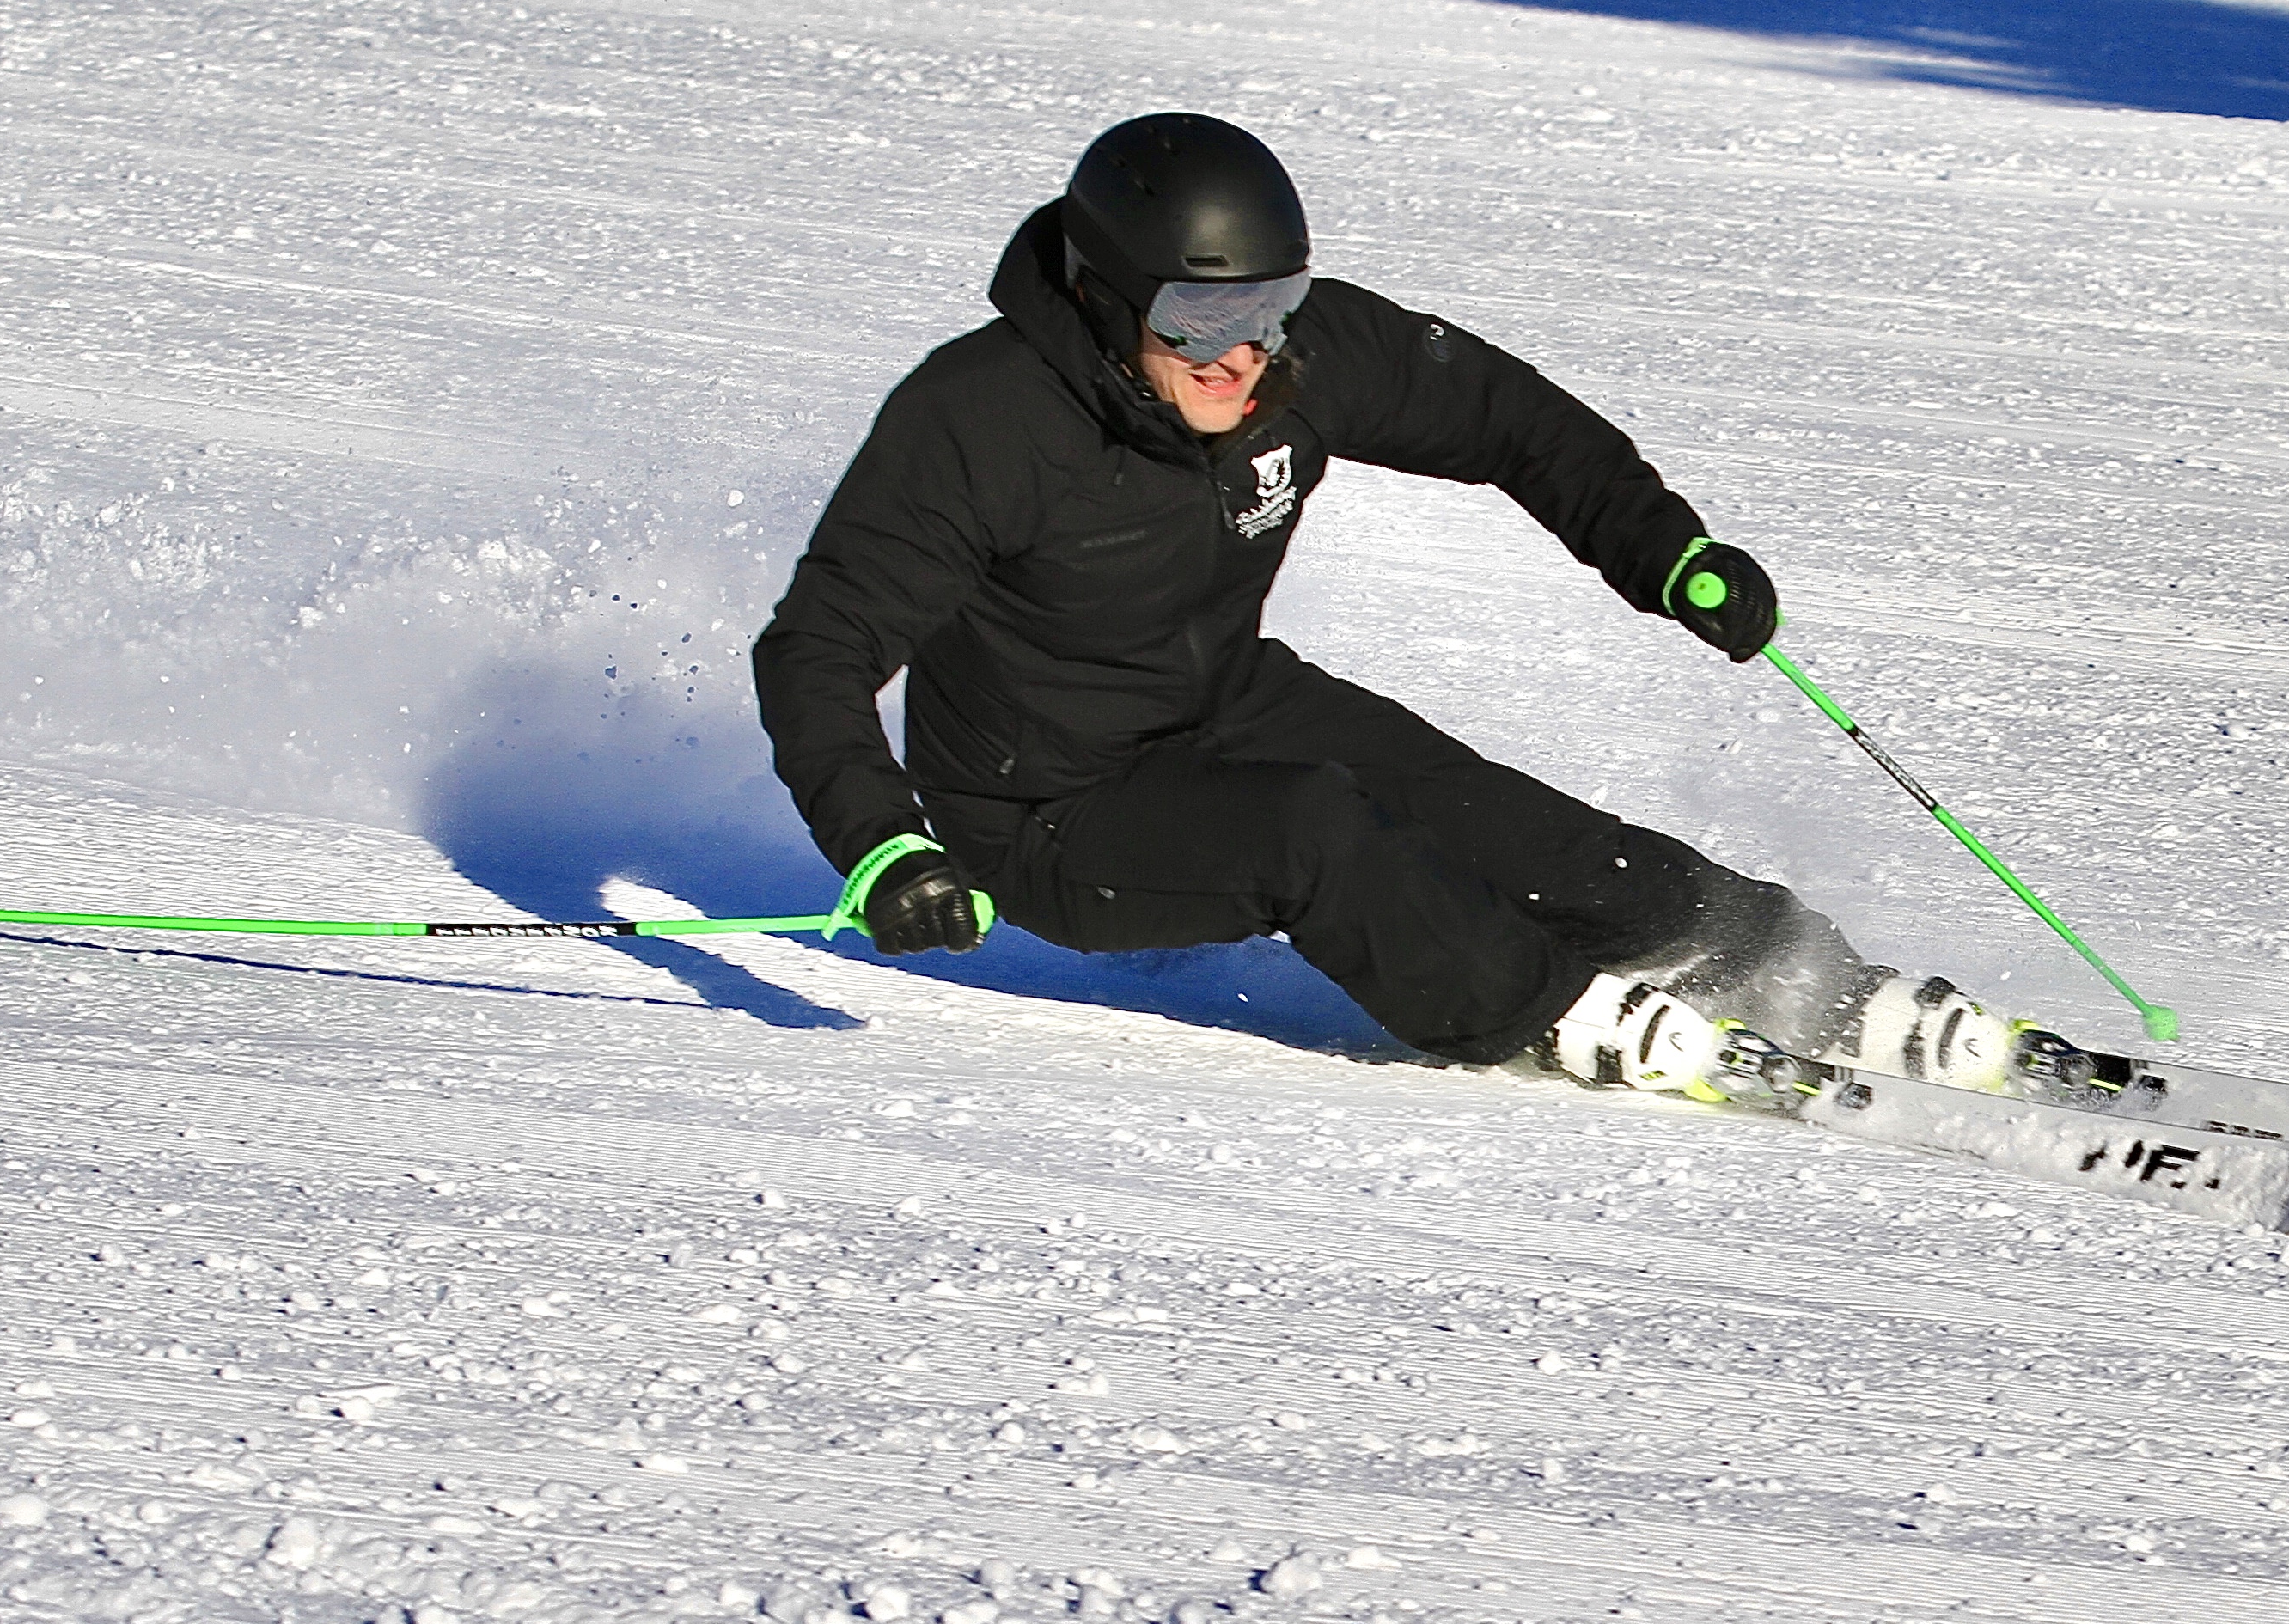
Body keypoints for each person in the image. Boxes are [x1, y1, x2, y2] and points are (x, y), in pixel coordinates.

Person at [749, 113, 2014, 1093]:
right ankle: (1556, 1012)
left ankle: (1805, 975)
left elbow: (1508, 420)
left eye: (1270, 307)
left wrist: (1665, 551)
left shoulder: (1296, 365)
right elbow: (821, 644)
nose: (1239, 352)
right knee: (1313, 829)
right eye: (1198, 317)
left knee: (1513, 826)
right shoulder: (979, 419)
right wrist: (885, 840)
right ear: (1102, 296)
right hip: (1044, 817)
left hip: (1224, 703)